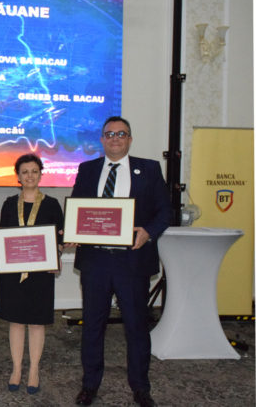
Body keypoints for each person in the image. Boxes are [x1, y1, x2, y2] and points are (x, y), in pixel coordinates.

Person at [70, 116, 171, 407]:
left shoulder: (149, 169)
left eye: (121, 134)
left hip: (133, 262)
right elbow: (78, 208)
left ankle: (141, 388)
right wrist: (73, 230)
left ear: (129, 139)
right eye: (110, 134)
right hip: (96, 261)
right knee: (92, 326)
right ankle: (89, 385)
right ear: (102, 139)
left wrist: (148, 232)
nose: (115, 138)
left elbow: (165, 211)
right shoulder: (87, 169)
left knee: (137, 327)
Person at [0, 153, 63, 395]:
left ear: (40, 174)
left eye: (34, 171)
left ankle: (34, 370)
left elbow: (59, 239)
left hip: (41, 273)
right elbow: (5, 236)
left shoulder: (52, 204)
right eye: (25, 172)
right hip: (13, 273)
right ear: (18, 177)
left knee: (37, 322)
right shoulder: (9, 203)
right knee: (16, 321)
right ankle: (16, 369)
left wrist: (57, 255)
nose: (30, 176)